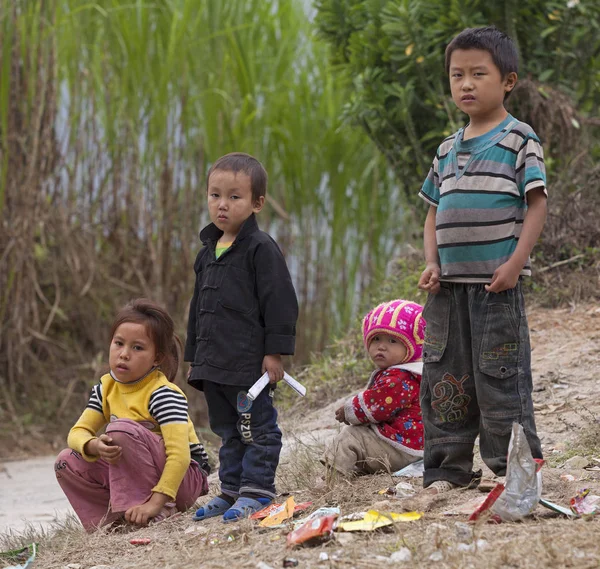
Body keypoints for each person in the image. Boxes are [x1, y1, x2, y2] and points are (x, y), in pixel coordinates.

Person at [417, 26, 547, 495]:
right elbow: (432, 214)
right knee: (445, 380)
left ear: (507, 80)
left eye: (478, 74)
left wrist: (515, 263)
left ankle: (513, 470)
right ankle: (446, 470)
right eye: (457, 76)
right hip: (448, 290)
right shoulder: (446, 149)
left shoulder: (518, 138)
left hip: (496, 288)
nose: (466, 84)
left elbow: (536, 204)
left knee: (501, 380)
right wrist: (432, 263)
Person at [185, 152, 298, 522]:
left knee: (256, 428)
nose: (222, 205)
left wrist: (275, 353)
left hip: (248, 365)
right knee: (226, 431)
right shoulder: (207, 252)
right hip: (214, 363)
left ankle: (258, 490)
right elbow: (198, 306)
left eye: (234, 197)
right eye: (215, 195)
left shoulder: (260, 249)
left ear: (257, 203)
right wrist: (194, 355)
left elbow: (279, 301)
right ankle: (231, 490)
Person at [54, 299, 210, 531]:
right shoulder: (106, 388)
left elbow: (180, 456)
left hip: (183, 482)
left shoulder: (163, 393)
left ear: (157, 358)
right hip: (141, 478)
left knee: (120, 430)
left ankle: (160, 511)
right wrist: (94, 445)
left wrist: (157, 502)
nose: (124, 354)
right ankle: (115, 520)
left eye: (137, 348)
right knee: (66, 461)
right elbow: (77, 432)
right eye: (119, 343)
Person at [323, 300, 425, 476]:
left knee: (350, 436)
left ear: (411, 347)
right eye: (376, 339)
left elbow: (376, 406)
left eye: (393, 341)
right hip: (413, 445)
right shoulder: (412, 372)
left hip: (402, 448)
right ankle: (355, 469)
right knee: (364, 436)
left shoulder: (399, 378)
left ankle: (331, 479)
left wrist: (349, 411)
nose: (381, 346)